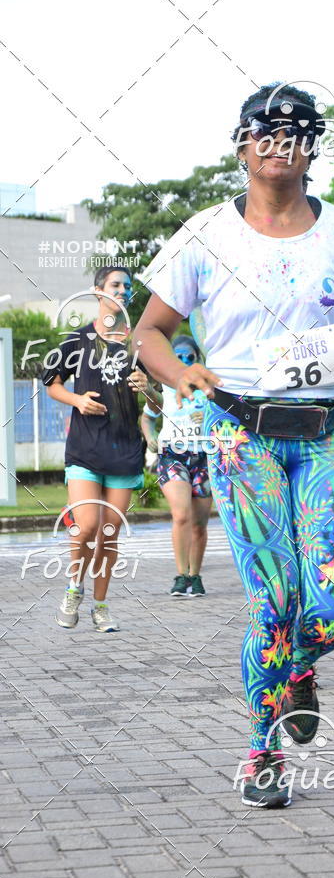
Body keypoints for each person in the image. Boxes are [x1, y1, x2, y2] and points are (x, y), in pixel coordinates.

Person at [134, 83, 334, 807]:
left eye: (297, 133)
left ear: (312, 148)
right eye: (265, 133)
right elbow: (150, 330)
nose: (280, 144)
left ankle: (300, 668)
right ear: (242, 145)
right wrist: (183, 373)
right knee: (273, 602)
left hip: (325, 435)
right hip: (239, 434)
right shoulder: (205, 234)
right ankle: (261, 748)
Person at [44, 265, 160, 632]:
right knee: (87, 524)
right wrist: (77, 400)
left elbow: (158, 405)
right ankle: (74, 587)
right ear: (98, 291)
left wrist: (148, 388)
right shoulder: (77, 340)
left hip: (124, 451)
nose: (123, 291)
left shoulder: (138, 344)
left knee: (108, 534)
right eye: (116, 285)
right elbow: (52, 383)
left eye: (127, 286)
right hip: (85, 448)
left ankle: (100, 605)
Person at [141, 334, 212, 597]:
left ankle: (195, 575)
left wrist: (208, 421)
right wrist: (150, 439)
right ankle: (181, 576)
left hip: (204, 456)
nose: (183, 361)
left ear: (197, 359)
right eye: (178, 356)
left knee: (199, 524)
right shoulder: (165, 389)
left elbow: (226, 421)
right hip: (173, 455)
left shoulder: (210, 392)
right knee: (181, 515)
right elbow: (148, 418)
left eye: (188, 357)